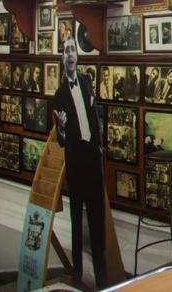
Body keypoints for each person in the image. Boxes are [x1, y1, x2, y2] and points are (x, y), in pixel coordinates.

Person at [53, 37, 107, 288]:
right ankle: (78, 276)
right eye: (66, 51)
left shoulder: (86, 82)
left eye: (72, 50)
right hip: (75, 164)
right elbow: (62, 141)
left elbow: (94, 117)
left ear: (78, 55)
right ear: (62, 58)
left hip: (93, 162)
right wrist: (62, 129)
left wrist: (99, 147)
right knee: (77, 220)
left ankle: (102, 280)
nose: (70, 55)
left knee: (97, 221)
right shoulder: (59, 95)